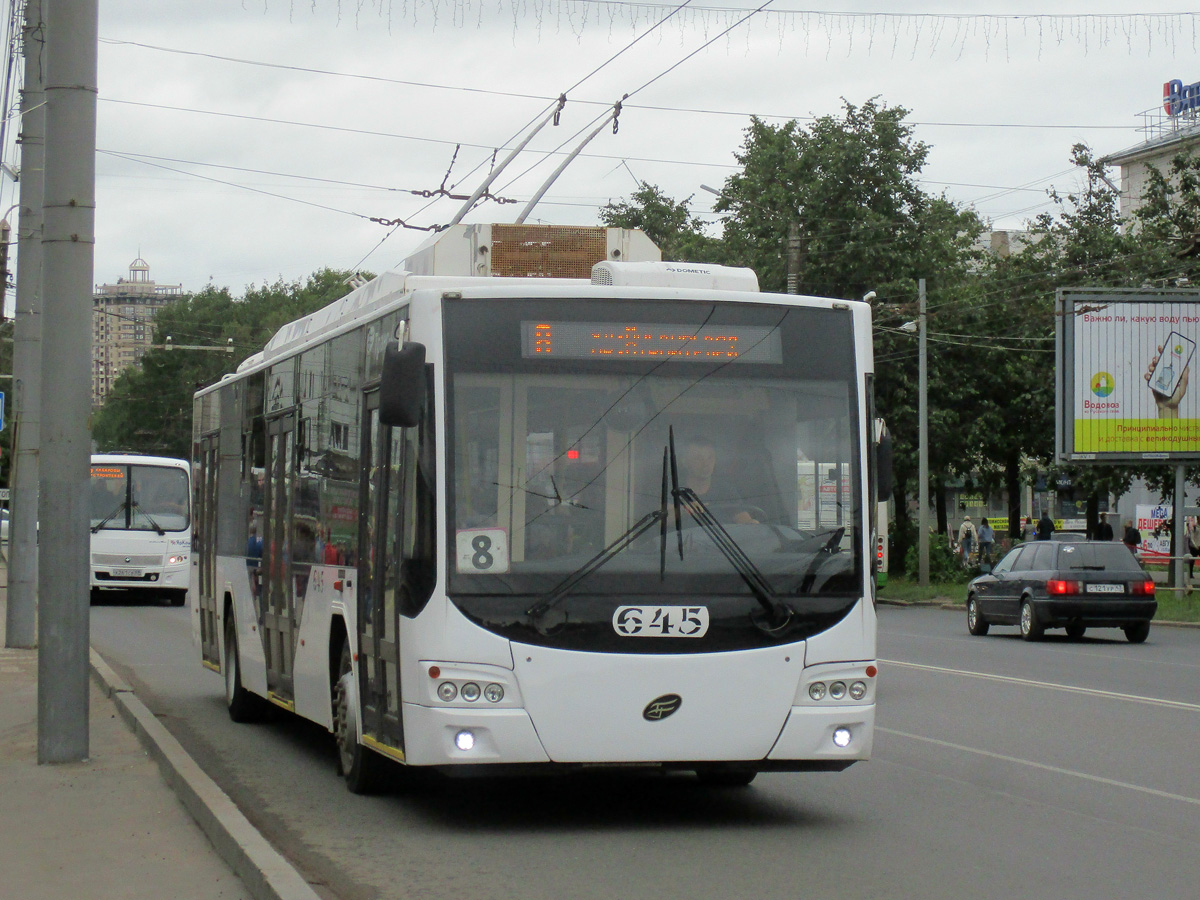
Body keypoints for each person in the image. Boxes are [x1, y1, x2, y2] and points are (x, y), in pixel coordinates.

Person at [677, 437, 759, 525]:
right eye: (698, 458)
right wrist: (685, 510)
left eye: (710, 457)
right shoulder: (674, 490)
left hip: (720, 539)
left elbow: (741, 517)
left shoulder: (726, 490)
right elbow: (664, 519)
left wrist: (751, 523)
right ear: (685, 462)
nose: (705, 464)